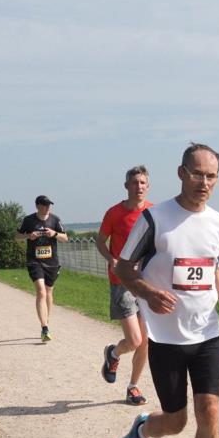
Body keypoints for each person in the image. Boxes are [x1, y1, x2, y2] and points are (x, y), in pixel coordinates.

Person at [114, 143, 219, 438]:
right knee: (175, 422)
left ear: (218, 179)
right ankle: (143, 429)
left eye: (211, 176)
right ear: (181, 173)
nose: (203, 182)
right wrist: (149, 293)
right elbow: (124, 268)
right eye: (196, 173)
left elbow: (211, 267)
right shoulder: (154, 220)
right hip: (166, 338)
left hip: (207, 334)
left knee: (210, 413)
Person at [96, 166, 153, 405]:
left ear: (147, 186)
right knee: (134, 340)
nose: (138, 186)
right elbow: (100, 241)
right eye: (134, 182)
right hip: (122, 281)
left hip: (147, 282)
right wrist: (112, 260)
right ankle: (114, 353)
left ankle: (133, 387)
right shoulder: (114, 213)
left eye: (142, 182)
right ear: (126, 186)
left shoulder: (153, 212)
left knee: (145, 340)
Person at [15, 195, 68, 342]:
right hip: (34, 261)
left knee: (49, 292)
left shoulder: (55, 219)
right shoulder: (28, 220)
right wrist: (29, 235)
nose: (48, 207)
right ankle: (44, 328)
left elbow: (65, 238)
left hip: (51, 261)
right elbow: (17, 236)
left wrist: (54, 234)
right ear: (38, 206)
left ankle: (46, 321)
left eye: (49, 205)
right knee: (41, 290)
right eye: (45, 205)